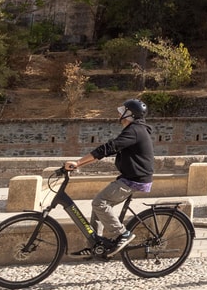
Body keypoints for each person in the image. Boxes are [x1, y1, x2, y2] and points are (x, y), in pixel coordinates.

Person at [64, 99, 153, 257]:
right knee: (99, 205)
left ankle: (122, 234)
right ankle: (95, 246)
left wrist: (78, 163)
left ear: (130, 114)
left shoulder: (135, 130)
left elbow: (110, 148)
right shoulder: (137, 129)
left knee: (100, 202)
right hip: (130, 177)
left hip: (134, 179)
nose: (119, 113)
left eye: (123, 110)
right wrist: (80, 164)